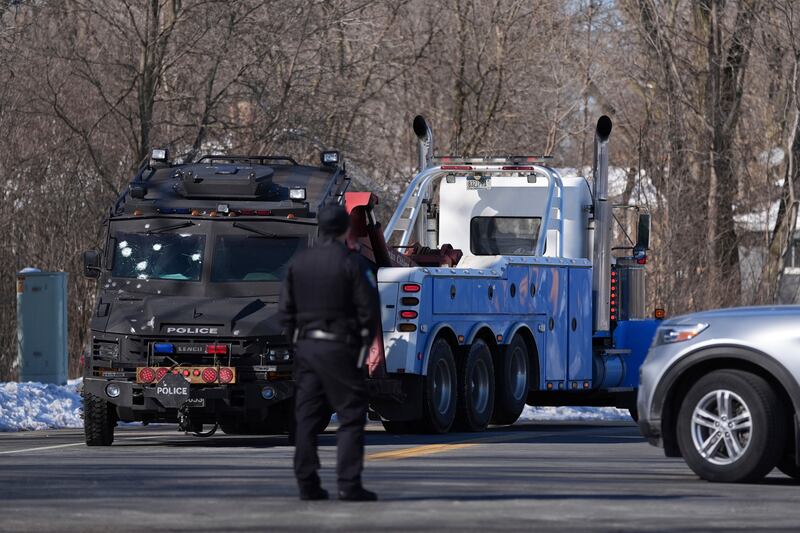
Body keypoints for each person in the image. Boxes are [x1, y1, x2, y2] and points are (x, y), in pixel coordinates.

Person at [279, 203, 381, 502]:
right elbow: (369, 308)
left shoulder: (298, 263)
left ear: (320, 228)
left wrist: (297, 343)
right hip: (340, 346)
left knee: (306, 417)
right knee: (350, 415)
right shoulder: (353, 263)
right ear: (346, 230)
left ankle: (307, 483)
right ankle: (349, 485)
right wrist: (364, 346)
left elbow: (285, 311)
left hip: (307, 347)